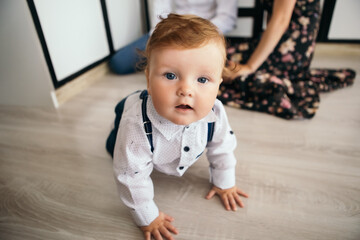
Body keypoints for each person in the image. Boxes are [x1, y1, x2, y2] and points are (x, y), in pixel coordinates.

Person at [106, 14, 249, 240]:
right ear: (148, 79)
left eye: (202, 80)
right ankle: (115, 133)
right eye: (170, 75)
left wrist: (224, 181)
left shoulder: (216, 113)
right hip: (130, 120)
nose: (186, 90)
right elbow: (130, 176)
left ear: (219, 85)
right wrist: (147, 216)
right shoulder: (136, 125)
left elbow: (222, 147)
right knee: (118, 149)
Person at [218, 0, 356, 119]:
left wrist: (250, 67)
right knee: (220, 58)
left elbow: (281, 20)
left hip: (293, 45)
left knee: (234, 73)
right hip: (278, 38)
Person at [109, 0, 238, 75]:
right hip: (171, 29)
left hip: (205, 32)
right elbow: (159, 13)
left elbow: (226, 19)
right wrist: (168, 33)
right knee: (118, 63)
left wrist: (195, 32)